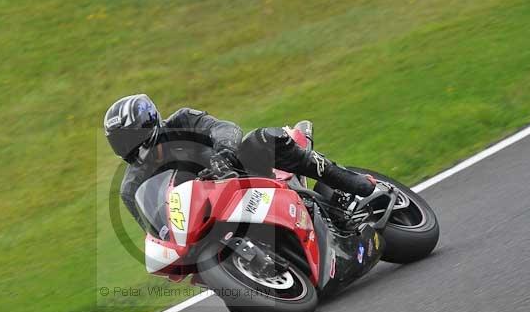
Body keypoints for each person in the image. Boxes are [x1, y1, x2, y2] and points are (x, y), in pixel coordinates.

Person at [104, 93, 376, 227]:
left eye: (129, 137)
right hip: (208, 215)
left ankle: (354, 184)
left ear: (148, 123)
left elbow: (226, 129)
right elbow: (155, 230)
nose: (128, 146)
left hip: (245, 174)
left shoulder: (184, 121)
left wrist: (223, 153)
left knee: (261, 138)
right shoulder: (131, 188)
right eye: (121, 141)